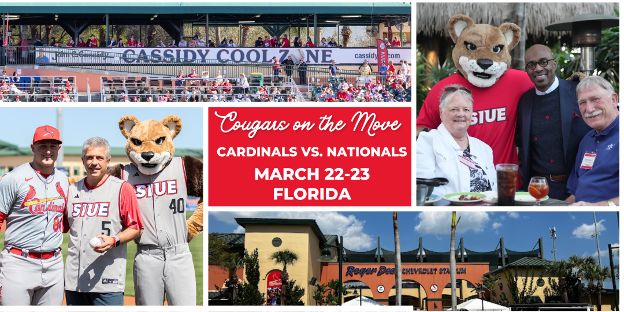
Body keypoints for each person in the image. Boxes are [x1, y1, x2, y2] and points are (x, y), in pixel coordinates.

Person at [63, 137, 143, 306]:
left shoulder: (122, 188)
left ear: (108, 161)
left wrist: (114, 240)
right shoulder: (71, 190)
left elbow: (136, 227)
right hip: (74, 280)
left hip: (108, 280)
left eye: (99, 158)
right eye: (89, 157)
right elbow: (61, 227)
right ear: (83, 161)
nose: (94, 162)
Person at [0, 125, 68, 305]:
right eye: (42, 145)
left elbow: (65, 222)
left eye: (53, 146)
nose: (48, 151)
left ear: (58, 149)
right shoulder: (13, 179)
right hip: (18, 263)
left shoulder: (63, 179)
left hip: (54, 264)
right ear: (33, 148)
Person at [515, 44, 592, 200]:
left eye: (543, 62)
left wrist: (578, 190)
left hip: (575, 188)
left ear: (554, 64)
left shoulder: (578, 91)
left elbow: (596, 139)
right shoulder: (524, 101)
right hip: (536, 189)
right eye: (531, 65)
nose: (537, 68)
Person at [417, 85, 497, 195]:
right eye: (454, 109)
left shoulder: (484, 148)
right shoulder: (428, 141)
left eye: (466, 110)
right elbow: (422, 188)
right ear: (441, 113)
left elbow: (495, 189)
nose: (460, 114)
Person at [565, 76, 619, 206]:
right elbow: (574, 194)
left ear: (613, 100)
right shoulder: (587, 139)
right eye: (582, 103)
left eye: (595, 99)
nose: (589, 109)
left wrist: (595, 206)